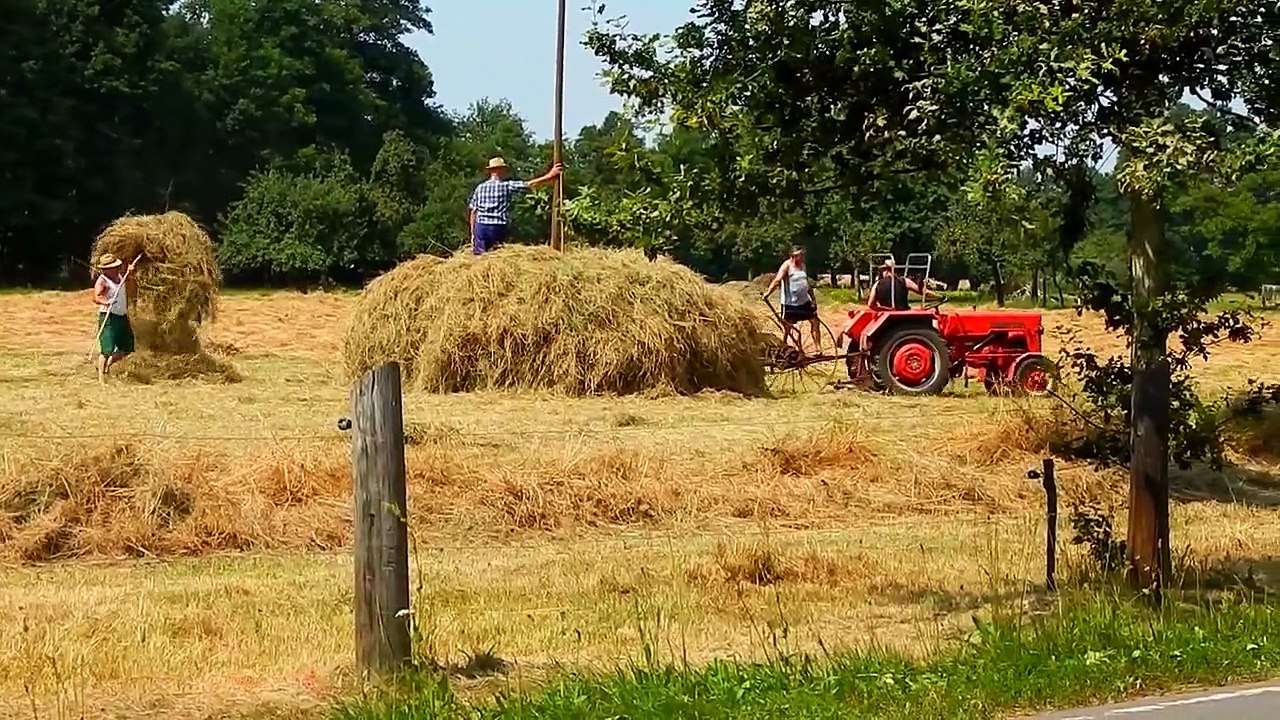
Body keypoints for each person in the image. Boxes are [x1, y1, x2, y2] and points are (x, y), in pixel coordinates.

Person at [468, 157, 564, 255]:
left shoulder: (480, 188)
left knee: (480, 257)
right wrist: (550, 175)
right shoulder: (506, 186)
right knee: (496, 256)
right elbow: (529, 184)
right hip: (497, 227)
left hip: (481, 227)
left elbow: (473, 211)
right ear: (500, 170)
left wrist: (473, 232)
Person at [763, 246, 822, 354]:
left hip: (804, 302)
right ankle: (783, 348)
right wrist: (768, 293)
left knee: (815, 322)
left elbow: (806, 284)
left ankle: (818, 349)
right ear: (794, 256)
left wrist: (813, 299)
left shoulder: (803, 266)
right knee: (788, 328)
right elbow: (777, 280)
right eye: (801, 255)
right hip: (790, 304)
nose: (803, 257)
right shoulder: (786, 266)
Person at [92, 253, 138, 384]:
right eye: (113, 267)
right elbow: (96, 297)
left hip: (121, 316)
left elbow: (127, 281)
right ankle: (101, 379)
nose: (116, 268)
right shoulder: (102, 281)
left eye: (116, 266)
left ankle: (107, 367)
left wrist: (130, 272)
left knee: (127, 347)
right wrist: (106, 302)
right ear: (106, 269)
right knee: (107, 349)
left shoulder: (119, 276)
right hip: (109, 317)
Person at [869, 258, 942, 310]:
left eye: (883, 270)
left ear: (887, 270)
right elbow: (924, 292)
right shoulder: (904, 281)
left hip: (886, 314)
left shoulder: (877, 284)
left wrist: (883, 309)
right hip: (903, 313)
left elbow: (871, 304)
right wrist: (939, 297)